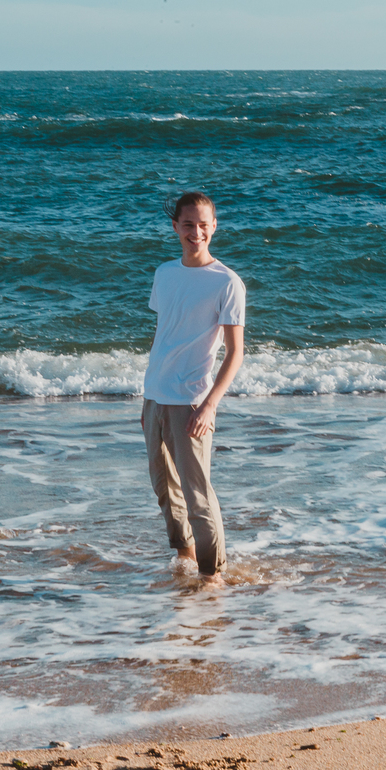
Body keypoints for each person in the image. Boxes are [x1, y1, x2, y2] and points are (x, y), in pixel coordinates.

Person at [141, 192, 246, 586]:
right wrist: (147, 396)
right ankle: (185, 557)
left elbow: (235, 353)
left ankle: (212, 574)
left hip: (192, 401)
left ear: (214, 227)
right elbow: (164, 334)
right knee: (164, 490)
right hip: (155, 397)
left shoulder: (227, 283)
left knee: (198, 495)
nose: (196, 232)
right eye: (188, 225)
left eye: (204, 225)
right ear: (176, 228)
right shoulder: (165, 273)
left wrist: (209, 405)